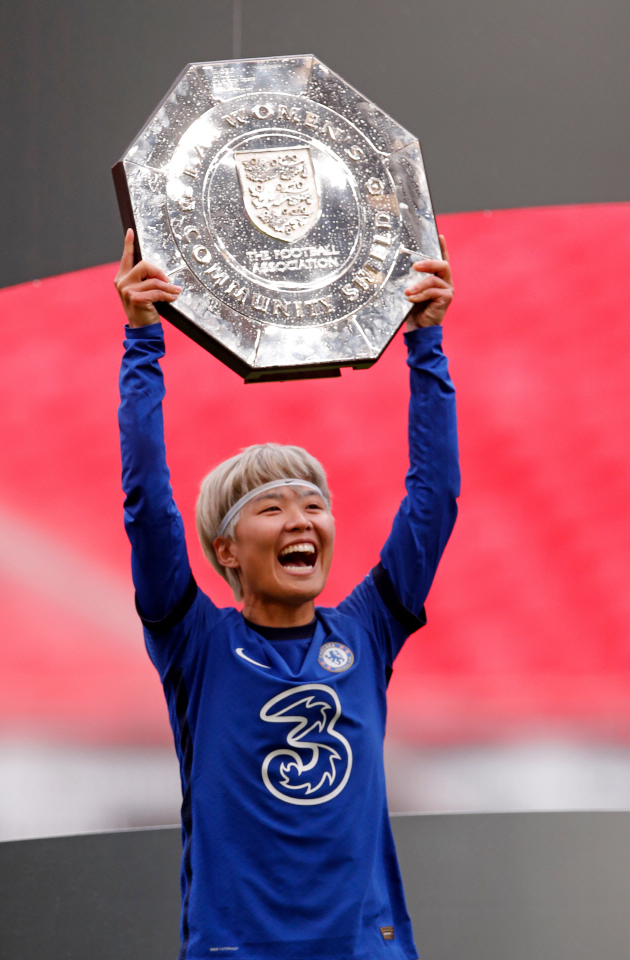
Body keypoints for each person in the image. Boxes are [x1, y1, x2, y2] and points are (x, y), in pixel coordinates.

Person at [115, 227, 458, 960]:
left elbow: (434, 499)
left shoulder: (366, 631)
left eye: (314, 505)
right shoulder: (197, 643)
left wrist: (425, 341)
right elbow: (147, 505)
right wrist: (141, 340)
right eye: (271, 508)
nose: (301, 520)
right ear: (226, 550)